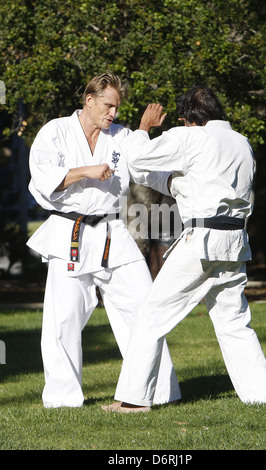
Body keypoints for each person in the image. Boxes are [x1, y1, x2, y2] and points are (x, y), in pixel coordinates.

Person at [104, 84, 266, 412]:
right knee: (234, 321)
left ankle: (133, 401)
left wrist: (143, 129)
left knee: (151, 314)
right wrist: (170, 182)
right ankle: (264, 397)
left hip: (200, 242)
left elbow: (138, 155)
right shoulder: (242, 143)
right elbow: (196, 182)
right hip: (234, 244)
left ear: (189, 120)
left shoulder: (190, 137)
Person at [26, 72, 181, 409]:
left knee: (143, 308)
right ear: (89, 100)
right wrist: (87, 170)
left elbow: (145, 168)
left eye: (117, 107)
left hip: (113, 232)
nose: (112, 113)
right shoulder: (55, 132)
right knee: (64, 318)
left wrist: (176, 178)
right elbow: (42, 178)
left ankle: (156, 391)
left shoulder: (121, 136)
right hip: (70, 232)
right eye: (108, 106)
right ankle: (63, 399)